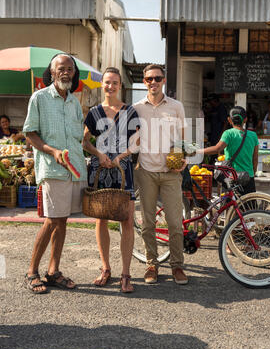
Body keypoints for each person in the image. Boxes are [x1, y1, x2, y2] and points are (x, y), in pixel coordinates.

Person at [22, 53, 87, 294]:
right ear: (51, 71)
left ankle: (53, 271)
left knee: (62, 220)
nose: (65, 72)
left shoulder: (74, 102)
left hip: (74, 169)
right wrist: (52, 151)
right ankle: (31, 272)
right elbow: (30, 133)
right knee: (51, 220)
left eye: (70, 68)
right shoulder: (39, 98)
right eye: (61, 68)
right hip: (52, 168)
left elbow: (79, 138)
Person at [83, 67, 139, 293]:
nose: (110, 86)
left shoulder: (130, 111)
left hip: (123, 170)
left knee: (126, 220)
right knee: (101, 219)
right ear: (102, 84)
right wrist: (99, 155)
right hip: (99, 170)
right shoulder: (94, 112)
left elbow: (137, 143)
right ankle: (106, 268)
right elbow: (85, 142)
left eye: (115, 82)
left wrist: (119, 157)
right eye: (107, 82)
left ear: (119, 86)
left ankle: (126, 274)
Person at [134, 64, 188, 285]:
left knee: (175, 223)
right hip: (146, 171)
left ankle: (177, 266)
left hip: (171, 173)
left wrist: (185, 158)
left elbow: (185, 137)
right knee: (148, 223)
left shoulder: (176, 106)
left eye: (157, 78)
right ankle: (152, 264)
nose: (153, 82)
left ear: (164, 80)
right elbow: (132, 139)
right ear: (144, 82)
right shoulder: (136, 108)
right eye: (149, 79)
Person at [203, 106, 259, 194]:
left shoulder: (228, 133)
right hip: (248, 177)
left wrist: (199, 151)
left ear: (229, 120)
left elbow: (217, 148)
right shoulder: (253, 135)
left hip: (231, 177)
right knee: (249, 205)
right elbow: (255, 158)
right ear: (245, 120)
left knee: (229, 205)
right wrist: (252, 173)